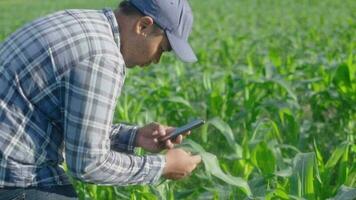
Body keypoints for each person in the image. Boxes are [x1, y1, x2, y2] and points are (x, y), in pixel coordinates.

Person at [0, 0, 201, 199]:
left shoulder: (84, 22)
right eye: (162, 49)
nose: (157, 60)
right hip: (11, 176)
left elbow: (78, 129)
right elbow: (89, 164)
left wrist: (135, 137)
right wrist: (163, 166)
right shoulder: (103, 57)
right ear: (143, 26)